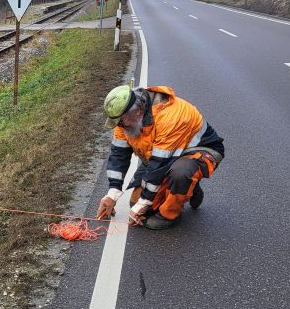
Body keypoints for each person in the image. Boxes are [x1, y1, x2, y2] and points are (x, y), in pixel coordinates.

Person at [96, 84, 225, 230]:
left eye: (121, 121)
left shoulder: (170, 116)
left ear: (137, 112)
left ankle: (170, 215)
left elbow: (159, 164)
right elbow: (118, 155)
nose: (118, 126)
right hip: (161, 154)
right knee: (136, 203)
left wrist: (144, 202)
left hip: (198, 151)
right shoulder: (124, 121)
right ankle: (187, 188)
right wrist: (112, 194)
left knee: (180, 173)